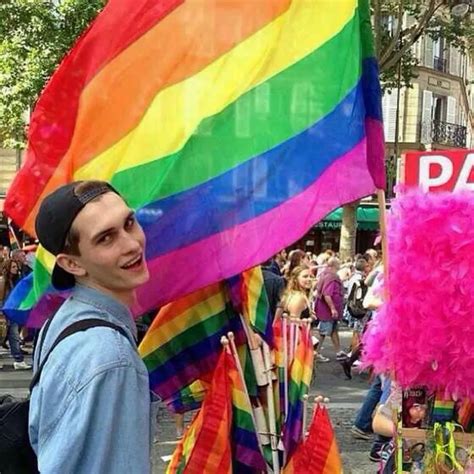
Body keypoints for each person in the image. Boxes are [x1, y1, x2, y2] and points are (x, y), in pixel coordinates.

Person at [29, 180, 154, 473]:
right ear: (72, 264)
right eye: (106, 238)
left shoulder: (62, 321)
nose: (132, 244)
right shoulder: (109, 356)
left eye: (129, 223)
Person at [1, 259, 32, 370]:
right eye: (13, 267)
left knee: (12, 336)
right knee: (11, 336)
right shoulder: (3, 281)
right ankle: (18, 359)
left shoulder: (13, 281)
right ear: (8, 268)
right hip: (5, 312)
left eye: (16, 266)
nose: (16, 269)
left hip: (10, 311)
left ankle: (18, 359)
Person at [314, 257, 346, 361]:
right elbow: (327, 294)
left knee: (333, 330)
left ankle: (338, 351)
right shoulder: (331, 277)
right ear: (334, 265)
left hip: (329, 311)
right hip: (327, 311)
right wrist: (332, 308)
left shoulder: (324, 274)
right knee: (323, 332)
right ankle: (316, 353)